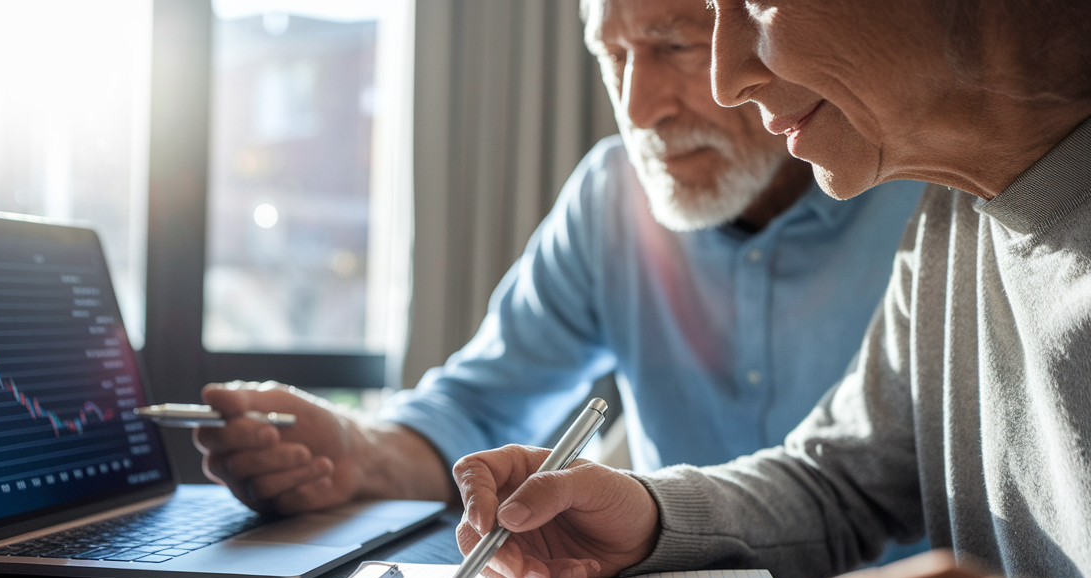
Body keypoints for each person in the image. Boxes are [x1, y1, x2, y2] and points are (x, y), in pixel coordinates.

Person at [453, 0, 1091, 578]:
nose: (729, 75)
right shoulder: (953, 216)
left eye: (753, 3)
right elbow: (842, 483)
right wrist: (648, 516)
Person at [193, 0, 923, 535]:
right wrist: (354, 453)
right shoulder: (612, 197)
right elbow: (481, 407)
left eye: (674, 46)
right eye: (613, 57)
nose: (640, 107)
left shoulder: (931, 195)